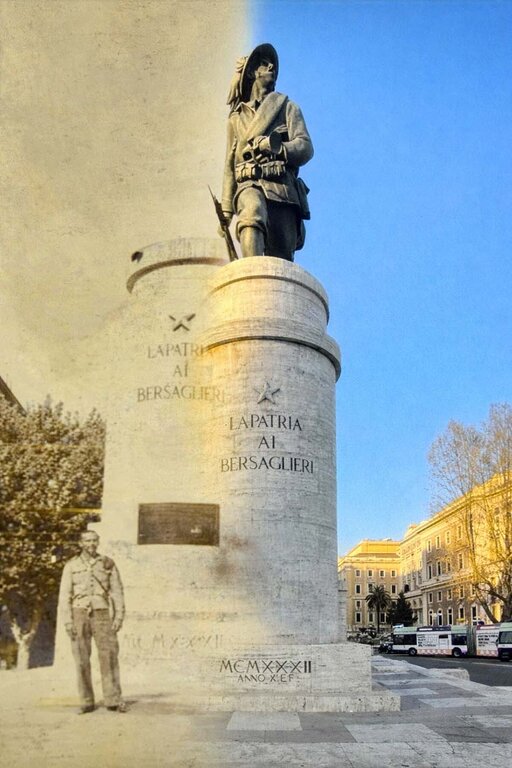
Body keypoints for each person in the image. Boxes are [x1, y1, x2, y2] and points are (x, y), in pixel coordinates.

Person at [221, 43, 313, 261]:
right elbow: (230, 163)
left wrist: (278, 148)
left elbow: (305, 147)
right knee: (251, 213)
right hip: (249, 183)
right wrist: (226, 209)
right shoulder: (236, 118)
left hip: (282, 190)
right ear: (252, 72)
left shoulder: (287, 107)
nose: (271, 67)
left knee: (281, 258)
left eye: (272, 64)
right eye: (264, 64)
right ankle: (250, 273)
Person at [58, 530, 126, 714]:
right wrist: (68, 621)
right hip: (78, 614)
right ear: (81, 543)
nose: (91, 544)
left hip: (102, 613)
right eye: (87, 541)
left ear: (98, 542)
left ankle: (113, 699)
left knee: (109, 656)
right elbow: (64, 596)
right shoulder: (71, 566)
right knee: (81, 659)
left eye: (95, 540)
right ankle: (86, 701)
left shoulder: (107, 563)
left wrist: (118, 616)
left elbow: (117, 591)